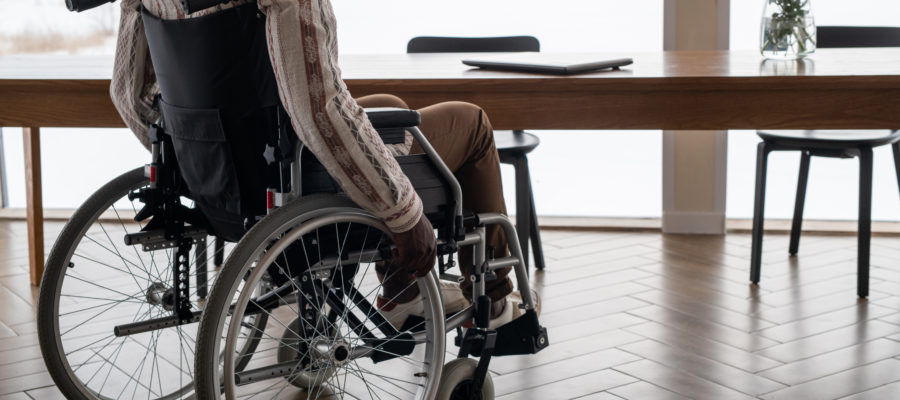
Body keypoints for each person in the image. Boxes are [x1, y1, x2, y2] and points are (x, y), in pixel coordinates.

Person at [110, 0, 531, 327]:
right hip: (289, 178)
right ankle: (494, 294)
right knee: (471, 123)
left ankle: (402, 293)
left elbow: (128, 96)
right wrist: (403, 213)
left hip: (226, 181)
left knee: (389, 107)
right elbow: (320, 113)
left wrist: (196, 162)